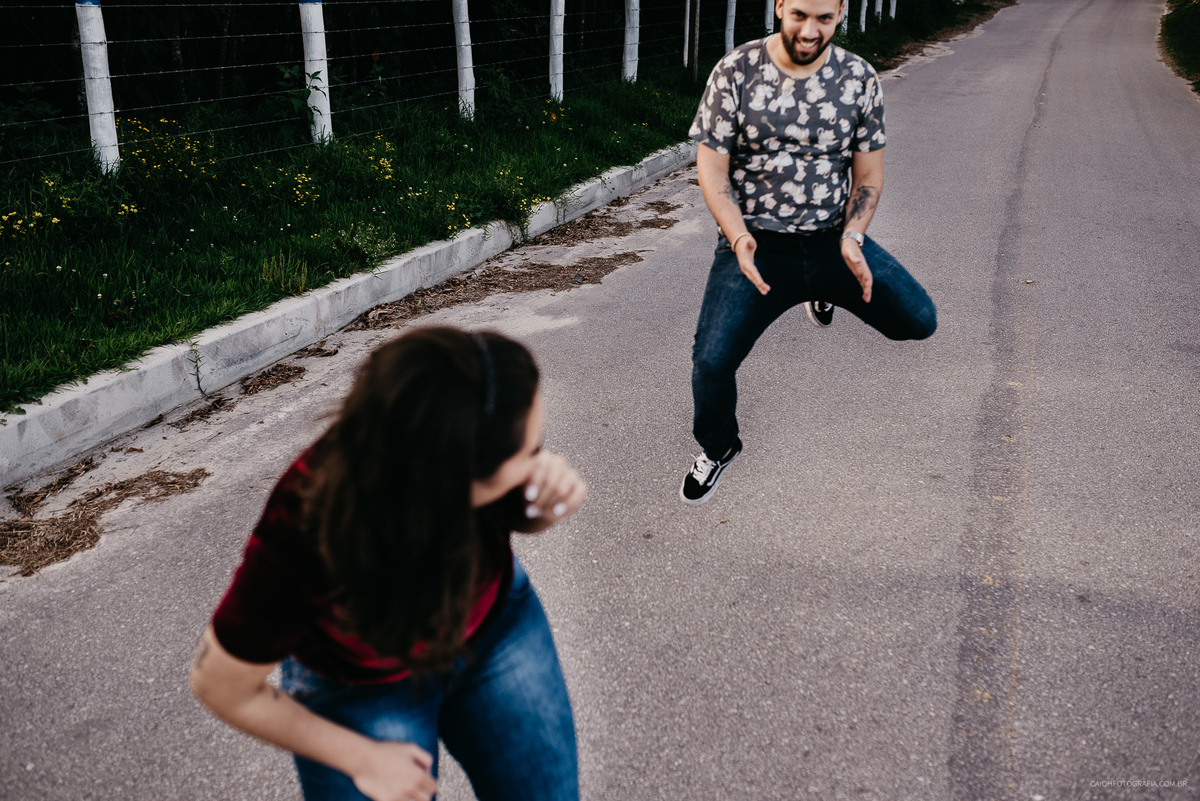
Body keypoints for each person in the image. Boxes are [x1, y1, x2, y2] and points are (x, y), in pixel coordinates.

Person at [190, 326, 587, 801]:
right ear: (451, 481)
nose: (540, 461)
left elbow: (512, 513)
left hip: (496, 631)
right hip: (358, 686)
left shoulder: (449, 424)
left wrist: (541, 508)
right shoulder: (305, 527)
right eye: (532, 453)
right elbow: (218, 683)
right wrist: (359, 757)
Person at [679, 0, 938, 505]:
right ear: (778, 5)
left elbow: (868, 175)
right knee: (710, 365)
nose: (810, 30)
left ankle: (822, 290)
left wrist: (854, 235)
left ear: (840, 11)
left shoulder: (859, 78)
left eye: (824, 17)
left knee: (920, 319)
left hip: (832, 243)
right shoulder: (736, 71)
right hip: (755, 248)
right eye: (799, 14)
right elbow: (712, 172)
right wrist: (737, 235)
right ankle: (719, 447)